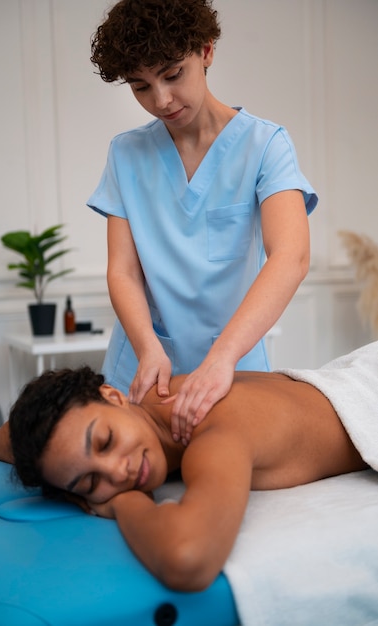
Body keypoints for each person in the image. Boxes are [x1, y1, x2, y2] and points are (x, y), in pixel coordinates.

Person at [86, 0, 318, 444]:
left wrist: (221, 358)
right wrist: (146, 349)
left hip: (232, 371)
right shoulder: (126, 153)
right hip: (142, 371)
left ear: (206, 51)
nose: (161, 100)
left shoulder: (264, 145)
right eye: (141, 86)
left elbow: (291, 256)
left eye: (173, 75)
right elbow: (123, 270)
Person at [0, 341, 378, 592]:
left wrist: (123, 503)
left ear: (114, 396)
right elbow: (0, 439)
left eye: (105, 442)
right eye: (91, 480)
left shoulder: (213, 435)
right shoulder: (164, 393)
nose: (118, 472)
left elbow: (188, 559)